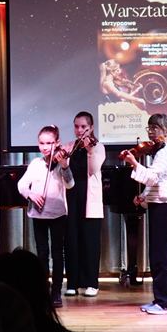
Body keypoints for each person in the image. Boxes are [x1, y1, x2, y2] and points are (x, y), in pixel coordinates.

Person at [121, 114, 167, 315]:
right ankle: (160, 300)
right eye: (150, 128)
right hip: (160, 206)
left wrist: (134, 163)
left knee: (161, 256)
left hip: (165, 208)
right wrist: (144, 197)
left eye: (156, 128)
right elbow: (157, 183)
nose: (151, 132)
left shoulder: (166, 151)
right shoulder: (161, 151)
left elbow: (153, 177)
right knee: (157, 255)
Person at [17, 125, 74, 307]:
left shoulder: (62, 163)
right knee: (42, 253)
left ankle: (56, 292)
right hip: (38, 214)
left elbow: (70, 184)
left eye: (49, 143)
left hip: (57, 214)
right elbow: (21, 185)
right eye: (42, 143)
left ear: (57, 143)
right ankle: (43, 289)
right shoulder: (36, 164)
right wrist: (31, 194)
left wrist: (64, 166)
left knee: (57, 253)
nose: (45, 147)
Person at [63, 112, 106, 298]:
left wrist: (90, 151)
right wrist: (62, 163)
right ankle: (72, 283)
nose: (79, 130)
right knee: (71, 240)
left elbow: (94, 169)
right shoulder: (69, 146)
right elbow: (63, 173)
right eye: (76, 126)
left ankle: (91, 283)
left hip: (90, 199)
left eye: (83, 127)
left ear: (91, 128)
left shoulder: (99, 147)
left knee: (90, 241)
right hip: (71, 198)